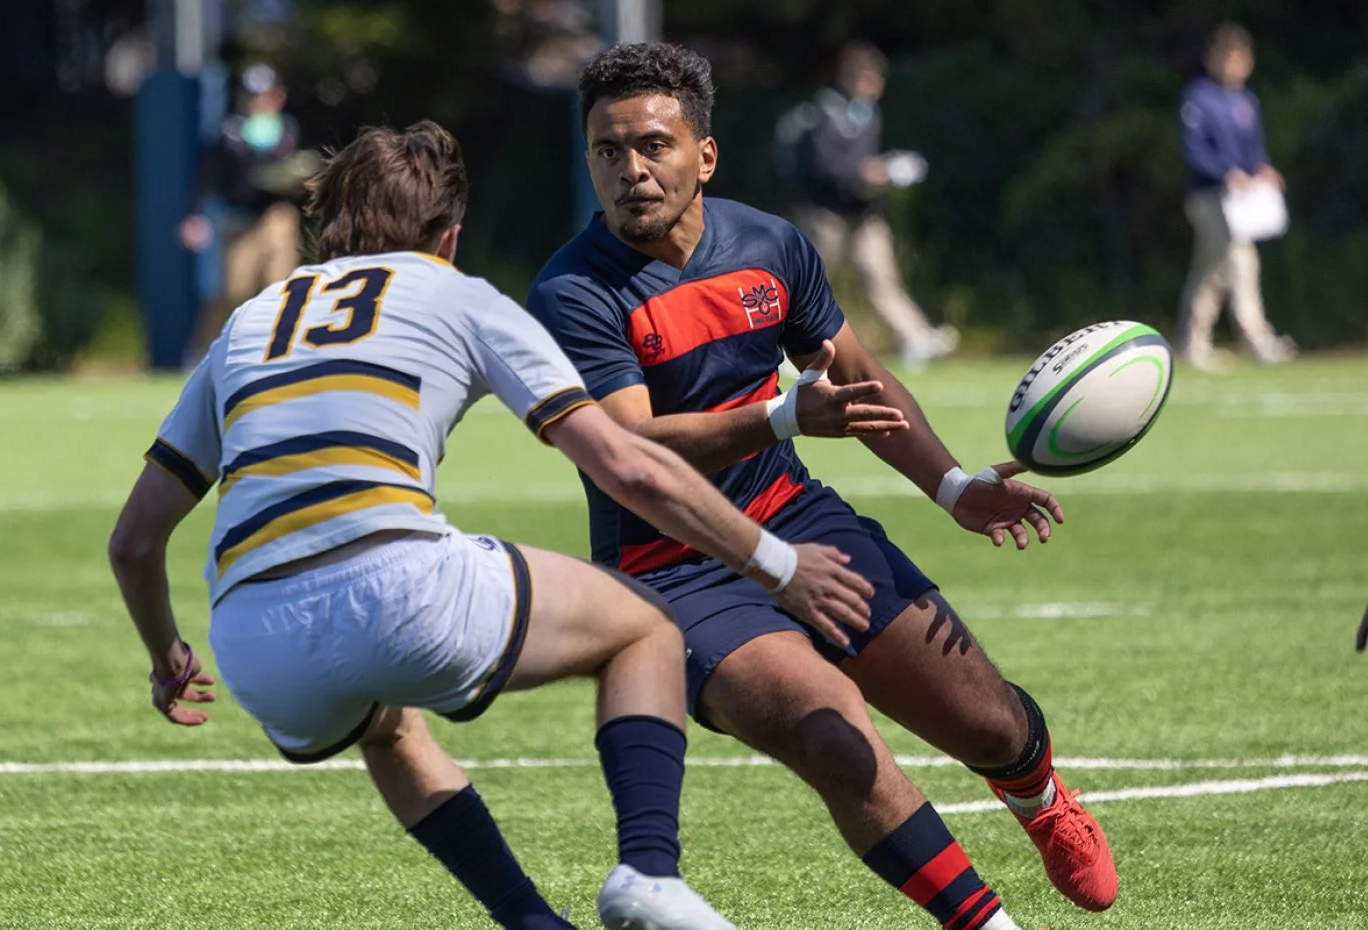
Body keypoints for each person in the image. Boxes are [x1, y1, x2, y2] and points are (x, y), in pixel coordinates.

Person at [110, 119, 880, 930]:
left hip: (255, 644)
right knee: (645, 626)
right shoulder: (457, 292)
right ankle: (650, 874)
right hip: (398, 586)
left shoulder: (248, 322)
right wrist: (777, 565)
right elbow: (625, 463)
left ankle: (531, 923)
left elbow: (133, 539)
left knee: (387, 728)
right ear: (450, 233)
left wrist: (167, 655)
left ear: (324, 224)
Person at [527, 42, 1119, 929]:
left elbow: (857, 373)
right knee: (833, 735)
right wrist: (783, 417)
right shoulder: (573, 290)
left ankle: (1037, 797)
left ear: (705, 155)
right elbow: (632, 445)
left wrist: (954, 487)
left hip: (796, 517)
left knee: (991, 723)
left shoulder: (770, 245)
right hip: (672, 572)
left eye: (653, 145)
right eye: (608, 152)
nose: (632, 172)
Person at [776, 41, 955, 367]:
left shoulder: (869, 114)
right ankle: (781, 346)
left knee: (882, 277)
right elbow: (827, 168)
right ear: (855, 78)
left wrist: (886, 170)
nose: (879, 86)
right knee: (808, 284)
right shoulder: (824, 114)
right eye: (874, 78)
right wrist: (873, 173)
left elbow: (865, 163)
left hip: (862, 213)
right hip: (825, 214)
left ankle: (915, 338)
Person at [1177, 22, 1296, 371]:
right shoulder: (1198, 97)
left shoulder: (1247, 100)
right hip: (1208, 196)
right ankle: (1257, 340)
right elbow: (1193, 150)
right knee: (1240, 261)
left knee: (1210, 272)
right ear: (1212, 59)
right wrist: (1224, 172)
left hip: (1240, 202)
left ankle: (1192, 342)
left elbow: (1253, 150)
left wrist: (1263, 169)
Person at [179, 63, 315, 358]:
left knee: (280, 287)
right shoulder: (229, 133)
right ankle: (207, 351)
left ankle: (277, 354)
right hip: (239, 220)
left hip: (275, 217)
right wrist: (194, 215)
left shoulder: (287, 130)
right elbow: (206, 178)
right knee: (235, 291)